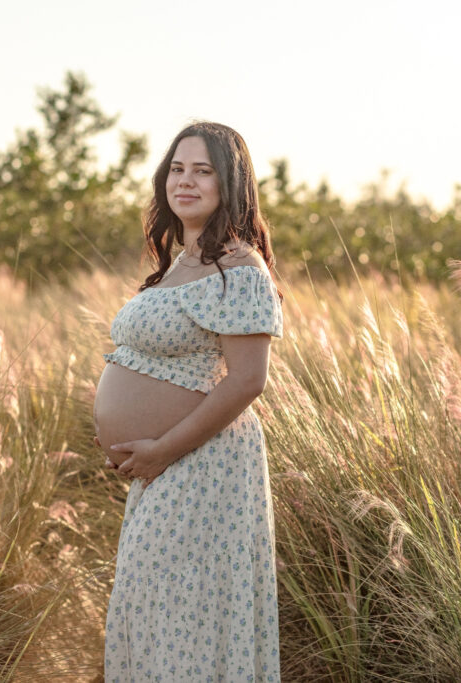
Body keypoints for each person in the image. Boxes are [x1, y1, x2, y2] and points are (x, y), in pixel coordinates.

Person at [92, 121, 284, 681]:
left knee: (184, 618)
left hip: (202, 467)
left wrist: (160, 451)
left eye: (203, 171)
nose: (187, 181)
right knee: (152, 613)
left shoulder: (240, 268)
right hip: (163, 468)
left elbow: (248, 381)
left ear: (231, 184)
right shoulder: (179, 263)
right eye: (177, 169)